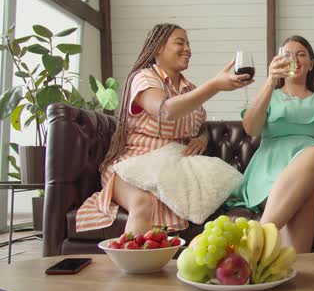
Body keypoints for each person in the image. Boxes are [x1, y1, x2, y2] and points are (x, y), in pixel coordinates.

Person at [76, 23, 252, 235]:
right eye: (180, 42)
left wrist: (203, 137)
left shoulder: (190, 89)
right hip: (134, 164)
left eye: (188, 44)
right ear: (158, 47)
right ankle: (135, 264)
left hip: (171, 168)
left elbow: (201, 123)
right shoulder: (143, 78)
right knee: (143, 204)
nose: (188, 48)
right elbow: (165, 111)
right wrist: (214, 85)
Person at [233, 35, 314, 253]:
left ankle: (254, 241)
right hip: (269, 173)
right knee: (307, 197)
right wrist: (269, 81)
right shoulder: (269, 96)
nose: (294, 59)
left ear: (311, 64)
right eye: (287, 55)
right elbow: (251, 129)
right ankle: (286, 271)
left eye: (301, 54)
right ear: (279, 61)